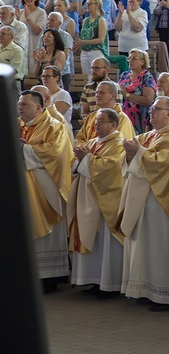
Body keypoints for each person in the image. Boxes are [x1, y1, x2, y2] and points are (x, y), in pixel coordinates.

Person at [117, 96, 169, 311]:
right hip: (143, 201)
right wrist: (131, 153)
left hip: (162, 202)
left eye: (156, 109)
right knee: (145, 246)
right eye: (151, 108)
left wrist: (136, 152)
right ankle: (145, 290)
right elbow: (134, 159)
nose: (151, 112)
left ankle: (166, 295)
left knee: (161, 246)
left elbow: (162, 164)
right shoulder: (149, 135)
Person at [68, 108, 127, 298]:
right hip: (88, 200)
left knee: (106, 244)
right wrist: (79, 160)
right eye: (96, 121)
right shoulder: (92, 142)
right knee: (95, 242)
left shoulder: (119, 144)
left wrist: (86, 159)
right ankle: (94, 280)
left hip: (105, 201)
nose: (97, 124)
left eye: (101, 121)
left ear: (113, 125)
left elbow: (111, 169)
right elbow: (75, 165)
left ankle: (110, 284)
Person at [18, 90, 73, 291]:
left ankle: (49, 278)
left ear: (39, 107)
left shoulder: (55, 126)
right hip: (23, 188)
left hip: (45, 189)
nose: (20, 108)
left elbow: (56, 154)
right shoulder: (17, 125)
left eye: (24, 104)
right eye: (19, 104)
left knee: (45, 233)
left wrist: (24, 149)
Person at [76, 81, 134, 145]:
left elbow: (122, 144)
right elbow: (80, 138)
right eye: (96, 92)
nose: (97, 95)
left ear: (113, 96)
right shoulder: (91, 116)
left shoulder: (122, 118)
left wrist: (91, 153)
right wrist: (83, 149)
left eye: (102, 93)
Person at [118, 48, 156, 134]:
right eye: (129, 58)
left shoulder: (146, 76)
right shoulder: (125, 75)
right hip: (124, 115)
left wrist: (127, 95)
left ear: (142, 62)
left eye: (134, 58)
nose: (130, 61)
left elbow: (148, 100)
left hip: (140, 118)